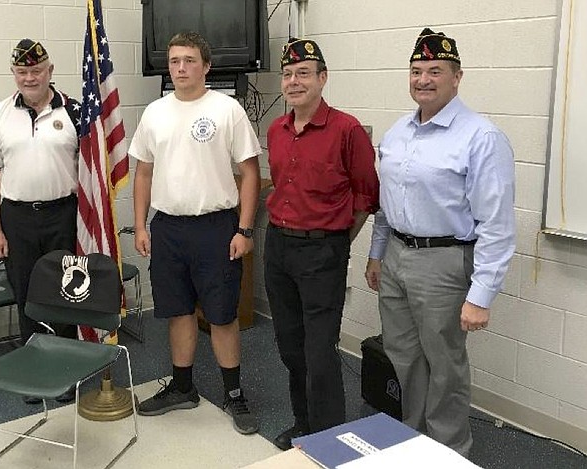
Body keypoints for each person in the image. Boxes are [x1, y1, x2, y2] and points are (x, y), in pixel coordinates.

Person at [365, 28, 515, 457]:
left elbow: (498, 225)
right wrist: (378, 255)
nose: (423, 79)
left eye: (435, 70)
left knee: (444, 366)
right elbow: (385, 204)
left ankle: (448, 453)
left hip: (445, 264)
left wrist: (481, 295)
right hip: (396, 256)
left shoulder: (481, 138)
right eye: (416, 71)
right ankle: (411, 443)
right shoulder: (397, 134)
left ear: (457, 77)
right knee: (403, 357)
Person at [129, 31, 262, 435]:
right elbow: (144, 172)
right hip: (168, 228)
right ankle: (182, 388)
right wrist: (140, 224)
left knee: (222, 315)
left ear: (206, 66)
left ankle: (234, 394)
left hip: (216, 228)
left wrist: (244, 228)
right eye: (174, 61)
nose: (181, 68)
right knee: (177, 310)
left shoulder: (227, 109)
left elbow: (250, 172)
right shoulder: (155, 113)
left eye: (189, 60)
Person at [264, 38, 380, 451]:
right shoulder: (275, 130)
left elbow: (367, 196)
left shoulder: (346, 129)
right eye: (289, 74)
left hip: (322, 252)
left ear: (322, 78)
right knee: (290, 348)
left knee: (320, 354)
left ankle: (330, 442)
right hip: (277, 247)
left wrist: (335, 241)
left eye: (304, 73)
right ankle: (303, 425)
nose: (294, 81)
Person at [0, 39, 81, 404]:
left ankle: (65, 373)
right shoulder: (0, 114)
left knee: (67, 294)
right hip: (17, 218)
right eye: (22, 72)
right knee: (27, 297)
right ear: (14, 74)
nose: (29, 77)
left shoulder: (73, 111)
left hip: (63, 215)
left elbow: (93, 171)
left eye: (36, 70)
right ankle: (35, 373)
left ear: (50, 71)